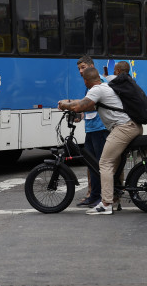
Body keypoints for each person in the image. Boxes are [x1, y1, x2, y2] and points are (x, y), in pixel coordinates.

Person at [58, 67, 142, 215]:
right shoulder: (104, 87)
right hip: (130, 126)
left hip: (124, 128)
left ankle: (106, 204)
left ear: (85, 80)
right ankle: (114, 200)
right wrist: (74, 106)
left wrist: (65, 104)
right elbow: (85, 105)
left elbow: (80, 105)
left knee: (104, 163)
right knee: (113, 166)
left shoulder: (97, 89)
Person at [75, 56, 110, 208]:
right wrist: (81, 114)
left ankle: (102, 197)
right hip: (91, 128)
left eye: (83, 67)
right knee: (92, 165)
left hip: (100, 129)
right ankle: (94, 196)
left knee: (99, 164)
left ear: (91, 66)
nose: (80, 71)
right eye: (79, 69)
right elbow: (89, 104)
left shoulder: (99, 82)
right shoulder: (88, 83)